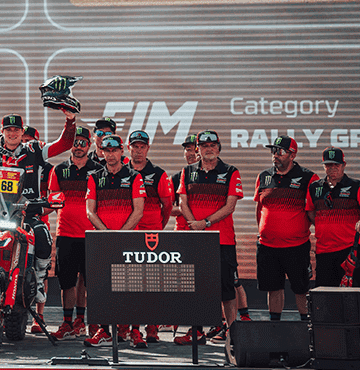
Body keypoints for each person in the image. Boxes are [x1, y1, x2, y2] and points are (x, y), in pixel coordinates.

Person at [0, 112, 76, 322]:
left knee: (42, 237)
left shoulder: (36, 150)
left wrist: (70, 120)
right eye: (8, 130)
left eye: (16, 130)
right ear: (2, 132)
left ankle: (39, 279)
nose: (12, 133)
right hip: (1, 215)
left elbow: (65, 143)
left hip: (28, 215)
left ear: (22, 132)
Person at [175, 130, 243, 345]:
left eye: (213, 145)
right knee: (195, 288)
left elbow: (230, 205)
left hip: (222, 239)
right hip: (196, 240)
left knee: (226, 290)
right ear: (198, 149)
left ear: (219, 147)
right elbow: (182, 202)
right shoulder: (188, 172)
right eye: (204, 145)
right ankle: (196, 331)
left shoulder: (231, 171)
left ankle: (233, 334)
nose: (209, 148)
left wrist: (204, 223)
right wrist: (194, 225)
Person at [83, 134, 145, 348]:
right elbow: (90, 211)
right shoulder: (94, 177)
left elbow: (138, 211)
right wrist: (107, 233)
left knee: (133, 287)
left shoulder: (135, 177)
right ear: (102, 152)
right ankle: (104, 330)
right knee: (102, 287)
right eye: (106, 151)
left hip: (128, 240)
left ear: (121, 151)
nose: (110, 154)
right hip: (103, 240)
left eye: (114, 150)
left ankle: (135, 331)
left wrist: (120, 234)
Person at [254, 136, 318, 321]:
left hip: (296, 246)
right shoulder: (264, 176)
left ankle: (308, 328)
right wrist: (262, 232)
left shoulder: (308, 177)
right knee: (274, 288)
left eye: (280, 151)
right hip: (267, 246)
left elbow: (313, 210)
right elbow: (259, 208)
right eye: (273, 151)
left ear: (292, 154)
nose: (275, 155)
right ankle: (275, 329)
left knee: (301, 289)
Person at [48, 126, 101, 341]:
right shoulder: (58, 170)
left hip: (92, 235)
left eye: (83, 142)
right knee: (67, 282)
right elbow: (52, 200)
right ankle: (68, 323)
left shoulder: (99, 170)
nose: (78, 146)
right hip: (66, 234)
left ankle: (91, 323)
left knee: (91, 282)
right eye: (75, 142)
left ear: (89, 145)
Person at [127, 130, 173, 343]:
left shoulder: (158, 174)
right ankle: (132, 328)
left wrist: (157, 226)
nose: (138, 151)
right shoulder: (120, 171)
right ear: (129, 148)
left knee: (152, 283)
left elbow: (168, 205)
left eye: (142, 147)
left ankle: (152, 328)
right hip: (128, 234)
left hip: (151, 234)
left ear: (147, 148)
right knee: (131, 283)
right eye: (135, 146)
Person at [307, 147, 360, 287]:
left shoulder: (357, 186)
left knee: (351, 295)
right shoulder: (314, 188)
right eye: (328, 165)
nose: (332, 168)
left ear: (343, 165)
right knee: (326, 296)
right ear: (324, 166)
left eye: (336, 165)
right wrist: (324, 226)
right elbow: (310, 211)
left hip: (349, 250)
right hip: (323, 251)